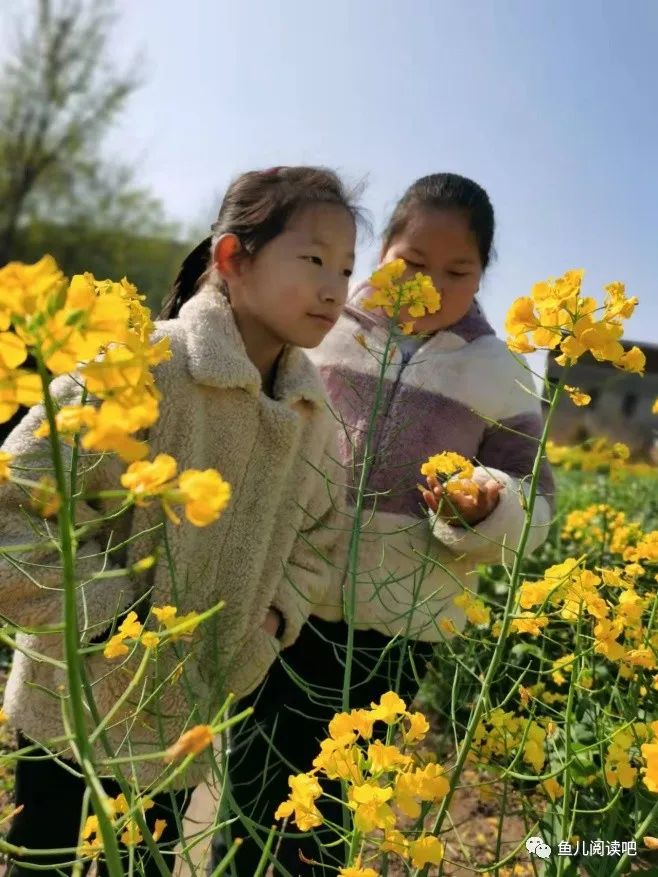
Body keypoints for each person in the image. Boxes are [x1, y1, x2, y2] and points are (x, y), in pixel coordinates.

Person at [0, 166, 359, 875]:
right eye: (314, 259)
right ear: (233, 258)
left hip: (181, 729)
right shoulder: (141, 365)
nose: (334, 288)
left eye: (347, 269)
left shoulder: (315, 423)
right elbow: (13, 501)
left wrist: (264, 631)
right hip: (69, 708)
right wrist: (98, 620)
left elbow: (317, 546)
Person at [213, 172, 555, 874]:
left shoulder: (503, 374)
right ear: (379, 256)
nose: (430, 285)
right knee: (252, 783)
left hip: (397, 628)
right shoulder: (322, 328)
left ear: (483, 275)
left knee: (338, 804)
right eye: (412, 265)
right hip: (289, 598)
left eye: (458, 272)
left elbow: (536, 498)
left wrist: (489, 505)